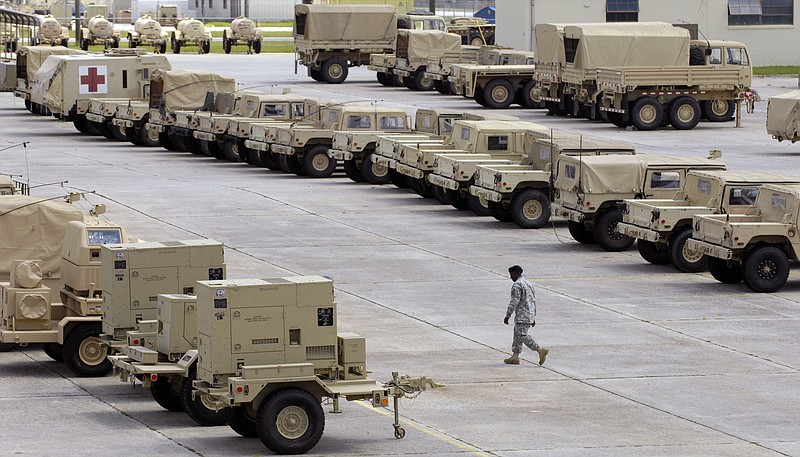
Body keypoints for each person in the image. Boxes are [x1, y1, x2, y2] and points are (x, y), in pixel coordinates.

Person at [503, 265, 548, 365]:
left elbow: (514, 301)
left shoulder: (517, 285)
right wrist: (533, 316)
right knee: (517, 334)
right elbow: (532, 300)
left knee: (521, 335)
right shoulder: (528, 284)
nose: (511, 277)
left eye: (511, 274)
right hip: (529, 313)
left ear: (515, 273)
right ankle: (515, 356)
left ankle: (540, 350)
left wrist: (508, 315)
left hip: (522, 315)